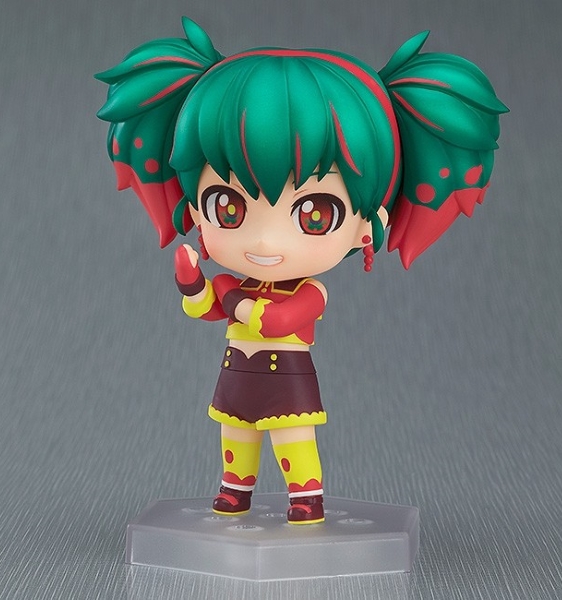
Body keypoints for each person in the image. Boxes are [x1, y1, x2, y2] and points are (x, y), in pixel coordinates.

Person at [96, 17, 507, 524]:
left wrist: (229, 297)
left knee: (292, 437)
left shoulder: (311, 293)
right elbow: (204, 309)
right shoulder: (234, 281)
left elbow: (275, 321)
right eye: (228, 205)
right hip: (237, 374)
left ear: (367, 226)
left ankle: (305, 499)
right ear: (195, 209)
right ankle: (233, 493)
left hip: (285, 378)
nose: (266, 242)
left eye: (315, 214)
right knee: (235, 435)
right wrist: (192, 282)